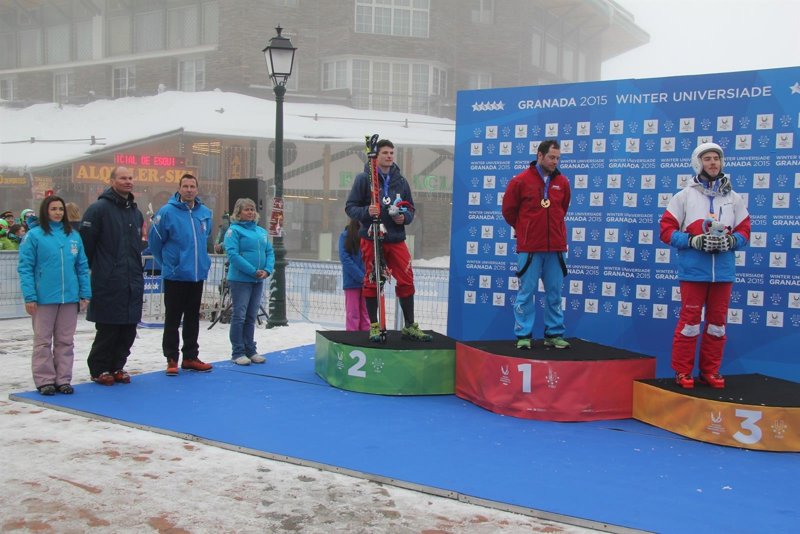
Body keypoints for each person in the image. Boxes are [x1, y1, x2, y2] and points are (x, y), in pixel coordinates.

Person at [659, 142, 750, 389]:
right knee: (689, 324)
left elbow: (745, 231)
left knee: (717, 325)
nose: (712, 163)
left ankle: (710, 370)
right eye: (707, 159)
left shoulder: (733, 198)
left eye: (716, 159)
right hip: (693, 272)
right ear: (697, 163)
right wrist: (692, 240)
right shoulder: (684, 196)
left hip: (723, 273)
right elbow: (666, 231)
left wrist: (732, 241)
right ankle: (682, 371)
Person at [345, 138, 432, 342]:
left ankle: (409, 326)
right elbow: (350, 207)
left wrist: (405, 217)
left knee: (407, 278)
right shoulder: (363, 179)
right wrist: (367, 211)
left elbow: (410, 208)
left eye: (392, 152)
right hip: (372, 237)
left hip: (396, 238)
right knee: (373, 280)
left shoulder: (400, 180)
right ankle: (375, 326)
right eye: (385, 153)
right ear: (375, 156)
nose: (389, 156)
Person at [501, 139, 571, 351]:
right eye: (551, 157)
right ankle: (523, 335)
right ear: (539, 156)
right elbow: (509, 211)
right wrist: (525, 229)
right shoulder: (520, 181)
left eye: (558, 158)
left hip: (556, 248)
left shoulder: (563, 182)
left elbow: (563, 209)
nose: (555, 162)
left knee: (554, 293)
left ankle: (554, 334)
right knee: (526, 292)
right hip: (530, 247)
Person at [17, 195, 91, 395]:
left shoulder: (73, 236)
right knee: (43, 341)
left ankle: (63, 379)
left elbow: (82, 266)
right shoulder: (34, 236)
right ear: (45, 211)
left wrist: (85, 293)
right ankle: (45, 380)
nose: (58, 213)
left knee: (65, 341)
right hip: (44, 298)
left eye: (60, 209)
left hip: (69, 298)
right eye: (53, 209)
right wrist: (30, 296)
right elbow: (25, 267)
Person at [79, 166, 145, 386]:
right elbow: (87, 246)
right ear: (112, 181)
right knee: (108, 329)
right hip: (108, 280)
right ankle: (99, 369)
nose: (128, 181)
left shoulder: (135, 212)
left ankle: (118, 366)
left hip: (132, 280)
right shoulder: (98, 209)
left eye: (130, 177)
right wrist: (99, 270)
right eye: (123, 178)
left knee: (128, 329)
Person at [148, 173, 214, 376]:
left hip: (196, 275)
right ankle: (171, 358)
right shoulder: (166, 212)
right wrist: (168, 264)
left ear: (197, 189)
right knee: (173, 318)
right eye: (185, 186)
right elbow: (155, 242)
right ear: (179, 188)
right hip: (175, 275)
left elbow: (205, 237)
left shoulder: (205, 213)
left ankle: (190, 357)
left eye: (192, 186)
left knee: (193, 318)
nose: (189, 190)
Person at [223, 198, 274, 365]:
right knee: (240, 316)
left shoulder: (261, 231)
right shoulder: (233, 231)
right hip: (240, 280)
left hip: (258, 280)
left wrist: (267, 270)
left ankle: (250, 349)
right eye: (246, 209)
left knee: (251, 316)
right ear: (239, 212)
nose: (250, 212)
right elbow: (233, 255)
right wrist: (252, 271)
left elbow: (269, 252)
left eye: (252, 209)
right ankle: (237, 351)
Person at [339, 218, 369, 331]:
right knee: (353, 314)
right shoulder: (345, 236)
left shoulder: (370, 236)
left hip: (367, 282)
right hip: (352, 282)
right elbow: (345, 258)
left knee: (367, 314)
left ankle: (367, 336)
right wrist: (361, 277)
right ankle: (352, 337)